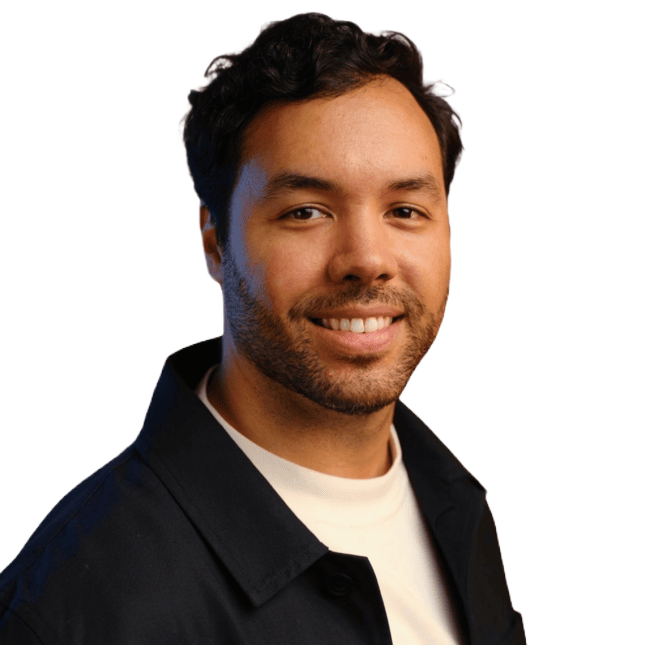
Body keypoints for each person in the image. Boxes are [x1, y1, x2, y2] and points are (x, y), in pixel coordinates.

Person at [0, 12, 527, 645]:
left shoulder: (458, 505)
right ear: (214, 241)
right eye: (306, 212)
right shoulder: (82, 605)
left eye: (405, 210)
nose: (367, 259)